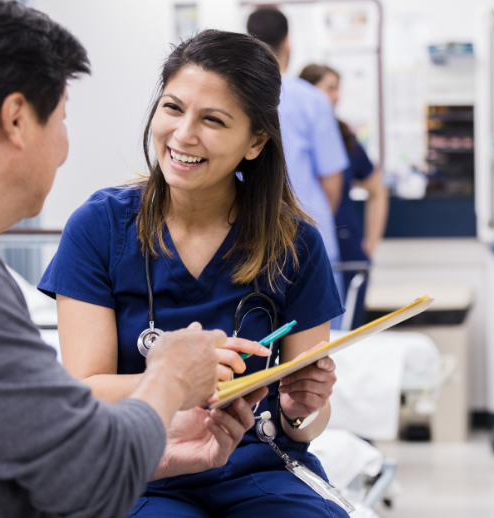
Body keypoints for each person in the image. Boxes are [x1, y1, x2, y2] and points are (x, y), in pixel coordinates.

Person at [0, 2, 265, 517]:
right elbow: (84, 479)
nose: (65, 149)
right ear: (17, 120)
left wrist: (157, 450)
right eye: (63, 118)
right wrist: (170, 376)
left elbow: (38, 454)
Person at [38, 30, 348, 517]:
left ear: (256, 141)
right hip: (144, 472)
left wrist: (299, 408)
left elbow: (306, 423)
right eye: (173, 108)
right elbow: (86, 390)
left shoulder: (295, 243)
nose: (183, 135)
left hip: (262, 469)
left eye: (213, 120)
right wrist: (189, 377)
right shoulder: (100, 228)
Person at [247, 8, 349, 287]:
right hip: (309, 237)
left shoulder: (240, 99)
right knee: (325, 329)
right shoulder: (313, 100)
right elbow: (331, 181)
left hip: (251, 239)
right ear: (287, 42)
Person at [299, 64, 389, 329]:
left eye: (338, 88)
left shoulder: (344, 137)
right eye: (330, 88)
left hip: (346, 249)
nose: (336, 96)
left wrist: (370, 245)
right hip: (307, 247)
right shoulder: (290, 135)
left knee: (348, 333)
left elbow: (377, 191)